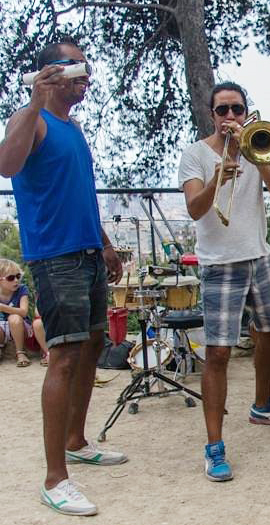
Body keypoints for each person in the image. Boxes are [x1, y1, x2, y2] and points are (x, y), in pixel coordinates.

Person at [0, 40, 126, 516]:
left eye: (86, 69)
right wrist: (34, 101)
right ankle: (55, 479)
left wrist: (106, 244)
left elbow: (83, 194)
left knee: (93, 344)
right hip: (55, 258)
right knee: (66, 356)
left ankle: (76, 439)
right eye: (76, 68)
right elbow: (6, 165)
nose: (86, 78)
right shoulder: (30, 120)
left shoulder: (72, 129)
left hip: (88, 253)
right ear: (51, 73)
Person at [179, 81, 270, 483]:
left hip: (258, 256)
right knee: (218, 355)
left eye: (237, 109)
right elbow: (195, 209)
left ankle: (262, 404)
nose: (230, 117)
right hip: (221, 264)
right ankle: (214, 447)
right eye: (222, 110)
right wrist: (217, 179)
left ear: (247, 112)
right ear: (211, 114)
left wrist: (256, 156)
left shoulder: (255, 144)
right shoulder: (195, 154)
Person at [0, 259, 35, 366]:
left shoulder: (22, 289)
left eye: (18, 276)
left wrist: (2, 307)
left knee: (14, 317)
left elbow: (24, 312)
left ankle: (20, 352)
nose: (16, 280)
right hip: (2, 328)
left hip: (20, 326)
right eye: (11, 278)